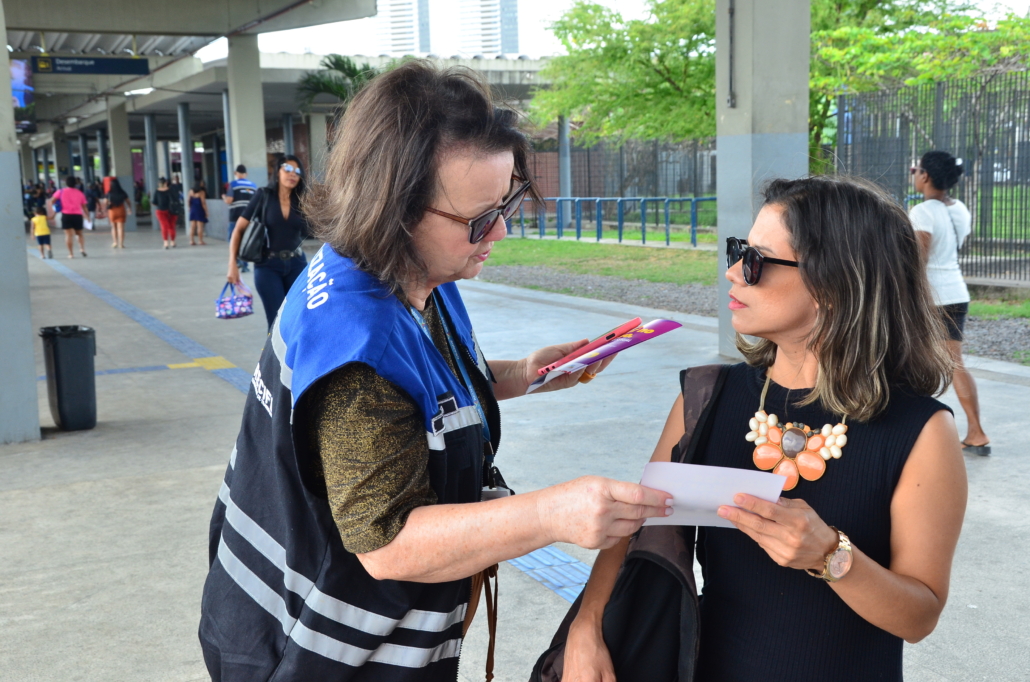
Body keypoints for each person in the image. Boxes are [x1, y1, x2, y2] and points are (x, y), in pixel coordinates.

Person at [201, 61, 673, 681]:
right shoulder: (357, 347)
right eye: (479, 218)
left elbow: (422, 387)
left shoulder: (409, 272)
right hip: (314, 650)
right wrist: (552, 514)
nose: (500, 231)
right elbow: (386, 543)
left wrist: (521, 373)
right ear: (393, 208)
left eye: (507, 202)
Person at [561, 176, 967, 682]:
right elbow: (636, 525)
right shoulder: (707, 398)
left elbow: (919, 615)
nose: (733, 272)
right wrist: (587, 625)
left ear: (834, 284)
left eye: (755, 260)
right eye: (738, 251)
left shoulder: (920, 431)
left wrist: (830, 555)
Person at [910, 151, 989, 456]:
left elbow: (919, 260)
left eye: (916, 169)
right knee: (955, 364)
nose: (914, 174)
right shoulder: (961, 209)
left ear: (926, 176)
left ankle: (917, 435)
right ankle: (976, 431)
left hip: (931, 298)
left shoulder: (922, 211)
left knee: (914, 361)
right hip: (956, 293)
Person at [226, 154, 309, 328]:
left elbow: (316, 229)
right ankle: (273, 356)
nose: (292, 174)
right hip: (268, 267)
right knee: (276, 322)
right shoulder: (263, 195)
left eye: (297, 171)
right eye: (287, 168)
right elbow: (238, 229)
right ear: (277, 171)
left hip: (297, 265)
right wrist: (232, 265)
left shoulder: (302, 200)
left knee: (298, 320)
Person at [222, 164, 256, 273]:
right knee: (245, 241)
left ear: (236, 173)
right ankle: (245, 265)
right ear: (246, 174)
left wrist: (224, 197)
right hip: (249, 218)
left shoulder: (232, 184)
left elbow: (229, 200)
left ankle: (237, 261)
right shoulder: (253, 185)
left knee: (233, 239)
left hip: (235, 217)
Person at [53, 176, 89, 258]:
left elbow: (52, 200)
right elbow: (84, 206)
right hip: (77, 215)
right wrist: (87, 215)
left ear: (66, 183)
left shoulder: (61, 191)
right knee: (79, 234)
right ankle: (82, 249)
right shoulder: (80, 193)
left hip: (66, 215)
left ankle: (71, 254)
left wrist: (55, 210)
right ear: (75, 183)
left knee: (68, 235)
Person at [105, 177, 132, 249]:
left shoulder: (109, 193)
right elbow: (128, 201)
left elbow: (105, 202)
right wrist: (129, 208)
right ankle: (121, 244)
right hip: (121, 210)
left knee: (113, 227)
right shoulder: (122, 192)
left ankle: (115, 242)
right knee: (121, 228)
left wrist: (107, 205)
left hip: (112, 211)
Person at [153, 177, 177, 249]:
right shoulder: (171, 190)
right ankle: (172, 242)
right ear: (166, 183)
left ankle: (166, 243)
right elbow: (176, 199)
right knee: (171, 226)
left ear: (159, 183)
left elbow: (154, 202)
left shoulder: (157, 191)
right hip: (172, 211)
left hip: (161, 211)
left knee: (164, 226)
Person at [188, 180, 209, 245]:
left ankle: (191, 241)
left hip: (193, 209)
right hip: (199, 209)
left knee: (192, 226)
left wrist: (189, 208)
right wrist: (206, 211)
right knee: (200, 226)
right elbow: (203, 203)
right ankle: (200, 241)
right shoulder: (201, 192)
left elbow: (188, 201)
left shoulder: (190, 191)